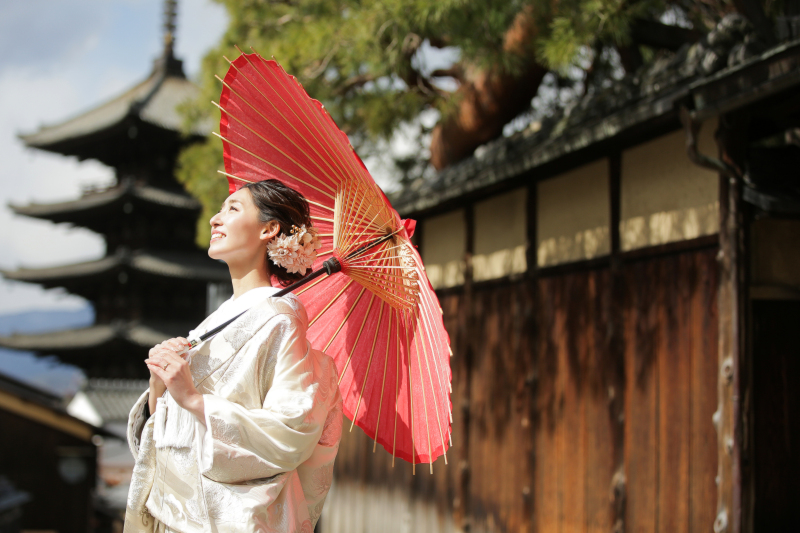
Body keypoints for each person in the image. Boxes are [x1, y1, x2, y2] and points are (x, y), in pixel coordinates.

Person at [124, 179, 343, 533]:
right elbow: (167, 431)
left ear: (269, 229)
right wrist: (159, 386)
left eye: (233, 209)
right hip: (175, 510)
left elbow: (291, 430)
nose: (215, 218)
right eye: (220, 209)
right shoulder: (218, 318)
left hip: (225, 519)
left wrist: (194, 400)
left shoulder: (280, 318)